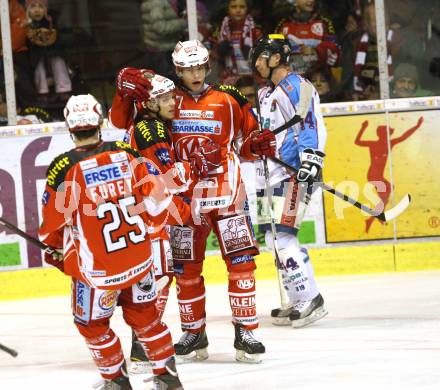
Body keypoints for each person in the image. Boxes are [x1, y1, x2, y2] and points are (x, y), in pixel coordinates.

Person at [109, 39, 266, 364]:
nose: (194, 73)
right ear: (177, 69)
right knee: (185, 269)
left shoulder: (230, 98)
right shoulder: (163, 96)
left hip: (227, 193)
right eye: (187, 68)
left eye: (198, 66)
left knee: (241, 264)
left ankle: (246, 332)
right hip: (184, 198)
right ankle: (194, 333)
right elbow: (121, 121)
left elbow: (248, 144)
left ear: (207, 65)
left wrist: (259, 146)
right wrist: (123, 86)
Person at [38, 94, 185, 390]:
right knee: (147, 320)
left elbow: (51, 227)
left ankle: (116, 380)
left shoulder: (64, 168)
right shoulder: (127, 153)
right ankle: (168, 379)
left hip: (99, 274)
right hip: (140, 261)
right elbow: (158, 202)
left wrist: (54, 250)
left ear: (69, 127)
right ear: (101, 122)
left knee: (91, 324)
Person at [114, 71, 194, 374]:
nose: (172, 102)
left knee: (155, 279)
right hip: (152, 213)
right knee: (157, 279)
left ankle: (141, 343)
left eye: (171, 95)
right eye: (163, 98)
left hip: (143, 211)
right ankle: (142, 346)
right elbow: (167, 177)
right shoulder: (151, 129)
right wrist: (188, 171)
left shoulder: (147, 124)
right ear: (149, 102)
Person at [248, 34, 328, 327]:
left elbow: (311, 123)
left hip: (294, 171)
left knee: (283, 236)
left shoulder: (297, 86)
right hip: (271, 173)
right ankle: (296, 297)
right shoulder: (265, 92)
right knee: (272, 237)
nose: (256, 63)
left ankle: (311, 297)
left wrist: (311, 159)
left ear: (277, 58)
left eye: (261, 57)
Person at [275, 0, 340, 76]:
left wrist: (316, 52)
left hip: (317, 80)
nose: (311, 0)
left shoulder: (324, 22)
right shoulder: (283, 24)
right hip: (291, 81)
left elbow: (336, 53)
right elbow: (274, 53)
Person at [25, 0, 72, 97]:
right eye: (33, 7)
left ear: (45, 10)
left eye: (40, 7)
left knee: (58, 61)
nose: (37, 10)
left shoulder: (51, 21)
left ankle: (63, 88)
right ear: (27, 10)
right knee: (38, 65)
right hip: (35, 52)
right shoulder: (26, 24)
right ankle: (42, 90)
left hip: (52, 49)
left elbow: (57, 36)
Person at [212, 0, 262, 85]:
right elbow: (213, 57)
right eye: (234, 7)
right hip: (226, 78)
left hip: (250, 80)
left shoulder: (255, 30)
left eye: (242, 7)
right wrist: (219, 50)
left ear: (247, 9)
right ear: (228, 9)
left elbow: (262, 56)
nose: (238, 10)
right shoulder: (220, 29)